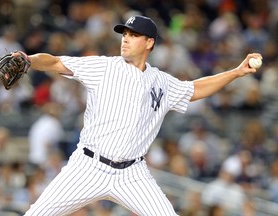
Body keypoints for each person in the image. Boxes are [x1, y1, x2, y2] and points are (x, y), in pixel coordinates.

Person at [17, 15, 262, 216]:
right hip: (88, 165)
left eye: (133, 35)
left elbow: (195, 89)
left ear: (149, 43)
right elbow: (55, 62)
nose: (125, 40)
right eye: (124, 34)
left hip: (132, 173)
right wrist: (29, 60)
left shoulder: (161, 82)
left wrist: (237, 72)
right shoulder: (104, 67)